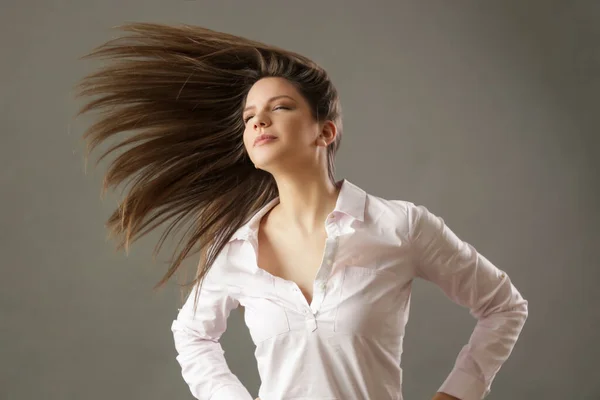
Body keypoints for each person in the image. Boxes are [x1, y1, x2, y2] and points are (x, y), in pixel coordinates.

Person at [75, 22, 528, 400]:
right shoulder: (233, 246)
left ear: (325, 131)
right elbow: (192, 336)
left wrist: (456, 394)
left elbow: (504, 307)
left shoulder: (400, 226)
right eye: (250, 116)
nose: (258, 121)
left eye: (281, 107)